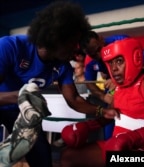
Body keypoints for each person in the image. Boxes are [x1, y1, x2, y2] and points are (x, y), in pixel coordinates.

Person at [0, 2, 118, 167]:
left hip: (23, 114)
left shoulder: (62, 65)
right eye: (73, 42)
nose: (77, 48)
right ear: (56, 38)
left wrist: (101, 111)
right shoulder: (10, 47)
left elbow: (74, 99)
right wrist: (21, 96)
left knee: (42, 155)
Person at [60, 38, 144, 167]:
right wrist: (87, 127)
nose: (114, 68)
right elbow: (111, 114)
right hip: (117, 145)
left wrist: (133, 138)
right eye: (110, 63)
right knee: (68, 156)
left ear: (134, 59)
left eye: (119, 61)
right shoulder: (118, 88)